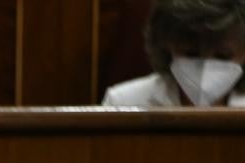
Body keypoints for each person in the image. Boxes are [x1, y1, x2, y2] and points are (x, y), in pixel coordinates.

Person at [103, 0, 245, 106]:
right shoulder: (122, 102)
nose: (205, 68)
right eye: (191, 53)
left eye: (222, 56)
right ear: (166, 45)